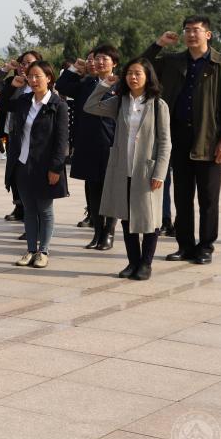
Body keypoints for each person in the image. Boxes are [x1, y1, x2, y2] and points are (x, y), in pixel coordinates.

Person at [145, 18, 221, 266]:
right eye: (187, 30)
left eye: (196, 30)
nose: (191, 35)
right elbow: (141, 66)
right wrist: (158, 44)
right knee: (182, 197)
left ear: (208, 34)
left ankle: (206, 246)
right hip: (177, 137)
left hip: (208, 139)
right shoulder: (173, 61)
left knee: (208, 198)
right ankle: (185, 245)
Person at [84, 58, 171, 280]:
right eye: (129, 73)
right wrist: (105, 84)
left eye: (138, 73)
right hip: (123, 168)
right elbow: (90, 106)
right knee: (126, 217)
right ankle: (133, 262)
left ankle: (146, 264)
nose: (133, 77)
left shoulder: (158, 105)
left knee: (150, 218)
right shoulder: (120, 102)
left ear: (148, 77)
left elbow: (165, 142)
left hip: (147, 170)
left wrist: (160, 173)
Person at [0, 60, 69, 268]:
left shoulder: (58, 105)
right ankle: (30, 250)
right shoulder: (24, 100)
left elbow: (61, 140)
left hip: (45, 166)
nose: (34, 80)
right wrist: (12, 86)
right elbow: (1, 104)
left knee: (45, 210)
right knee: (29, 209)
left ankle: (43, 251)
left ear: (49, 78)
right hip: (22, 164)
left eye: (38, 76)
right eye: (31, 76)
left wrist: (56, 167)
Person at [55, 45, 119, 251]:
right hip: (88, 144)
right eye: (96, 58)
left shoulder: (120, 84)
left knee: (111, 192)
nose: (98, 62)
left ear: (114, 63)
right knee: (94, 192)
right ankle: (97, 233)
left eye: (104, 59)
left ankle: (109, 233)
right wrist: (75, 67)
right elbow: (62, 85)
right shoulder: (86, 83)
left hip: (111, 145)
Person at [0, 50, 41, 223]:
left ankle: (34, 217)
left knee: (32, 178)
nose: (26, 66)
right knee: (16, 174)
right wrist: (7, 71)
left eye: (30, 63)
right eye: (23, 63)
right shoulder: (16, 83)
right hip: (15, 135)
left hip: (36, 140)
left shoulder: (46, 89)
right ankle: (20, 207)